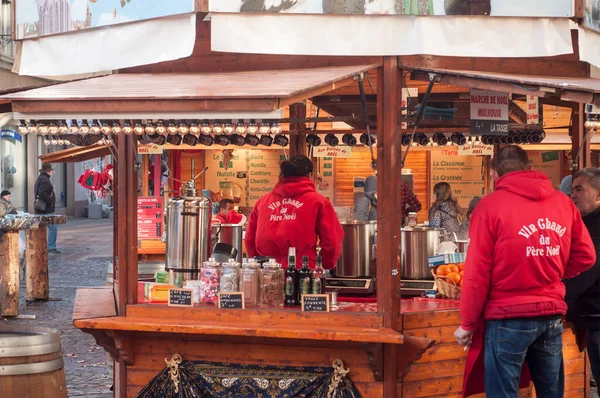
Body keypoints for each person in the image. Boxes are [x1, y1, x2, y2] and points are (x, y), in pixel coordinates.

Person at [455, 145, 596, 398]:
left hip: (506, 317)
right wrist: (551, 271)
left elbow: (476, 274)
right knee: (551, 392)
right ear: (530, 169)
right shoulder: (563, 203)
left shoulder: (488, 207)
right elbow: (586, 256)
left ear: (496, 174)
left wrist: (467, 323)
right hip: (550, 315)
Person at [245, 155, 343, 269]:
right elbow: (332, 241)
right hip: (302, 270)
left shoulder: (262, 202)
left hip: (267, 272)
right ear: (310, 175)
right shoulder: (319, 202)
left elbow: (249, 240)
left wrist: (261, 263)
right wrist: (325, 264)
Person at [567, 168, 600, 386]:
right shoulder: (582, 223)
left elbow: (587, 272)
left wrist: (559, 300)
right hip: (590, 317)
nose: (573, 195)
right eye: (572, 190)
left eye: (579, 189)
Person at [354, 175, 421, 224]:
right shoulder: (403, 187)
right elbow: (417, 206)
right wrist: (403, 213)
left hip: (382, 231)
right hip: (396, 226)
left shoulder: (379, 193)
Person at [34, 163, 59, 253]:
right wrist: (51, 201)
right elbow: (42, 193)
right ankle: (51, 246)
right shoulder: (45, 180)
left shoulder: (40, 179)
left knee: (42, 226)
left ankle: (41, 245)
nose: (52, 172)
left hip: (41, 208)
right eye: (51, 170)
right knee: (53, 226)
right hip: (46, 208)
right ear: (49, 171)